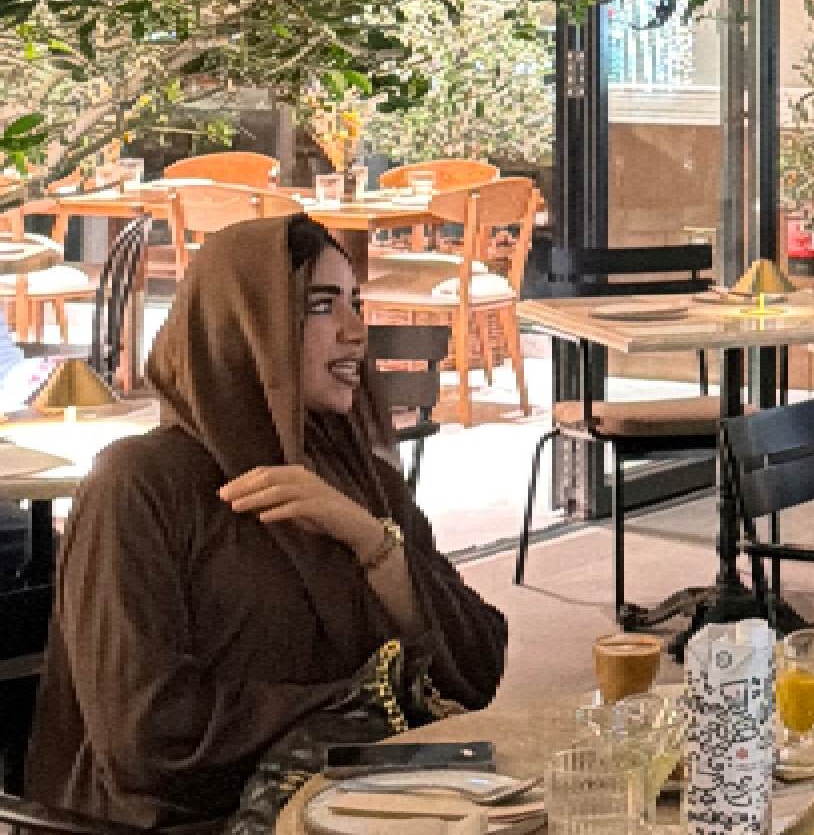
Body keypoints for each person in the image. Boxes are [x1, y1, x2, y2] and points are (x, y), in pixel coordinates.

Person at [27, 215, 508, 830]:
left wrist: (370, 540)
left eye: (356, 304)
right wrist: (366, 704)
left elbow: (476, 666)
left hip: (365, 809)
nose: (356, 332)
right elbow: (148, 738)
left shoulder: (358, 480)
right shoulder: (139, 485)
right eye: (321, 306)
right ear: (249, 324)